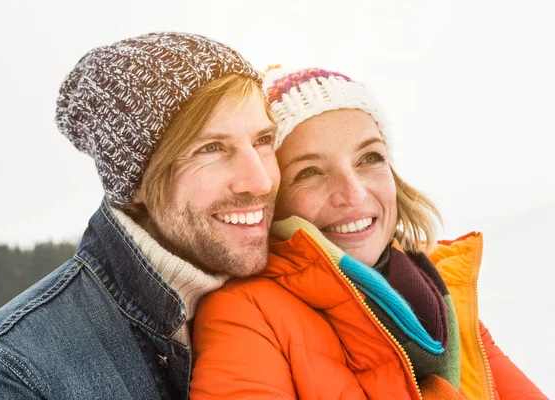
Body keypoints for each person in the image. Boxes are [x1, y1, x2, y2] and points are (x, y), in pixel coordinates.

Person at [0, 32, 280, 399]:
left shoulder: (310, 285)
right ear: (137, 181)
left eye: (263, 141)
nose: (260, 180)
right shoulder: (10, 372)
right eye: (211, 148)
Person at [190, 67, 547, 399]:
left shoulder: (444, 293)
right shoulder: (245, 314)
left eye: (369, 158)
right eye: (310, 172)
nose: (354, 193)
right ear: (271, 198)